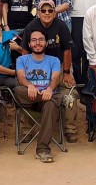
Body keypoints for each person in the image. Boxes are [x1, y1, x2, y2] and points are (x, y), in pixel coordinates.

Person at [21, 0, 77, 143]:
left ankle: (70, 129)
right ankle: (26, 130)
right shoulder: (31, 26)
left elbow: (67, 50)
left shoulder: (61, 26)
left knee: (71, 94)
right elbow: (25, 51)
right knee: (25, 92)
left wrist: (66, 73)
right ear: (38, 13)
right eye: (43, 11)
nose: (47, 13)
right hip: (35, 72)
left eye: (50, 10)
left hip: (57, 72)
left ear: (55, 13)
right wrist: (28, 76)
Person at [15, 29, 63, 163]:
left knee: (50, 104)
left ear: (46, 43)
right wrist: (30, 86)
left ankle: (43, 150)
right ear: (29, 44)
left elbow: (55, 79)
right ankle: (52, 97)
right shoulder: (22, 59)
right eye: (34, 40)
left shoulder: (54, 60)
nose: (38, 43)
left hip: (47, 99)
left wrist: (49, 89)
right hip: (28, 98)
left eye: (41, 39)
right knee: (18, 90)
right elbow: (21, 78)